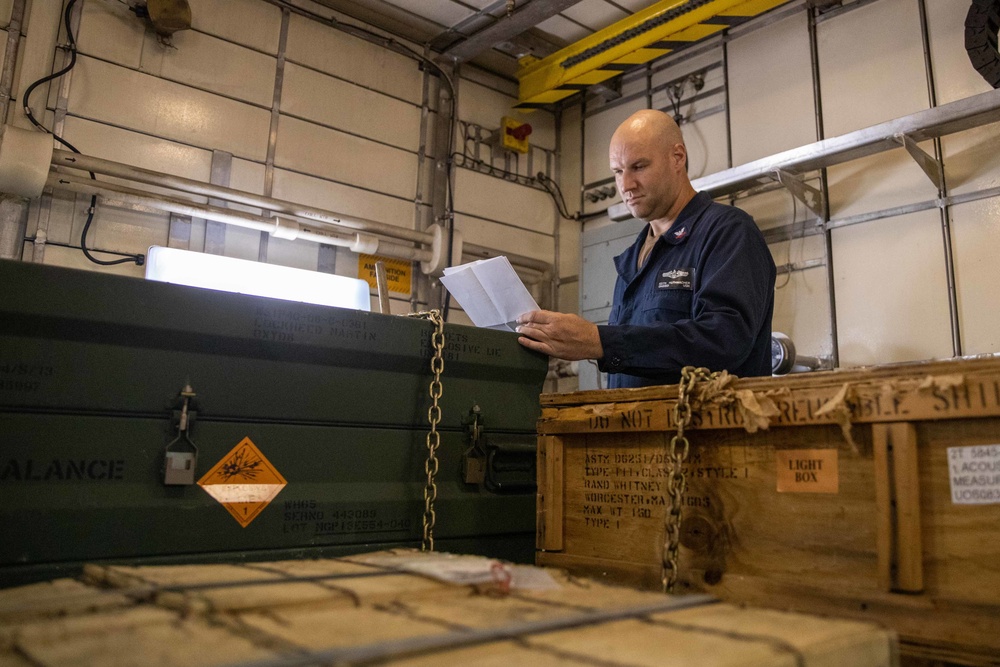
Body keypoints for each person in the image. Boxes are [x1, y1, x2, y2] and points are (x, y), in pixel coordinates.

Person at [516, 109, 775, 388]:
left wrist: (599, 341)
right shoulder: (633, 259)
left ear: (677, 157)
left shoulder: (727, 232)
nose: (626, 185)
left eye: (639, 167)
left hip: (707, 418)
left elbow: (725, 340)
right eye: (618, 171)